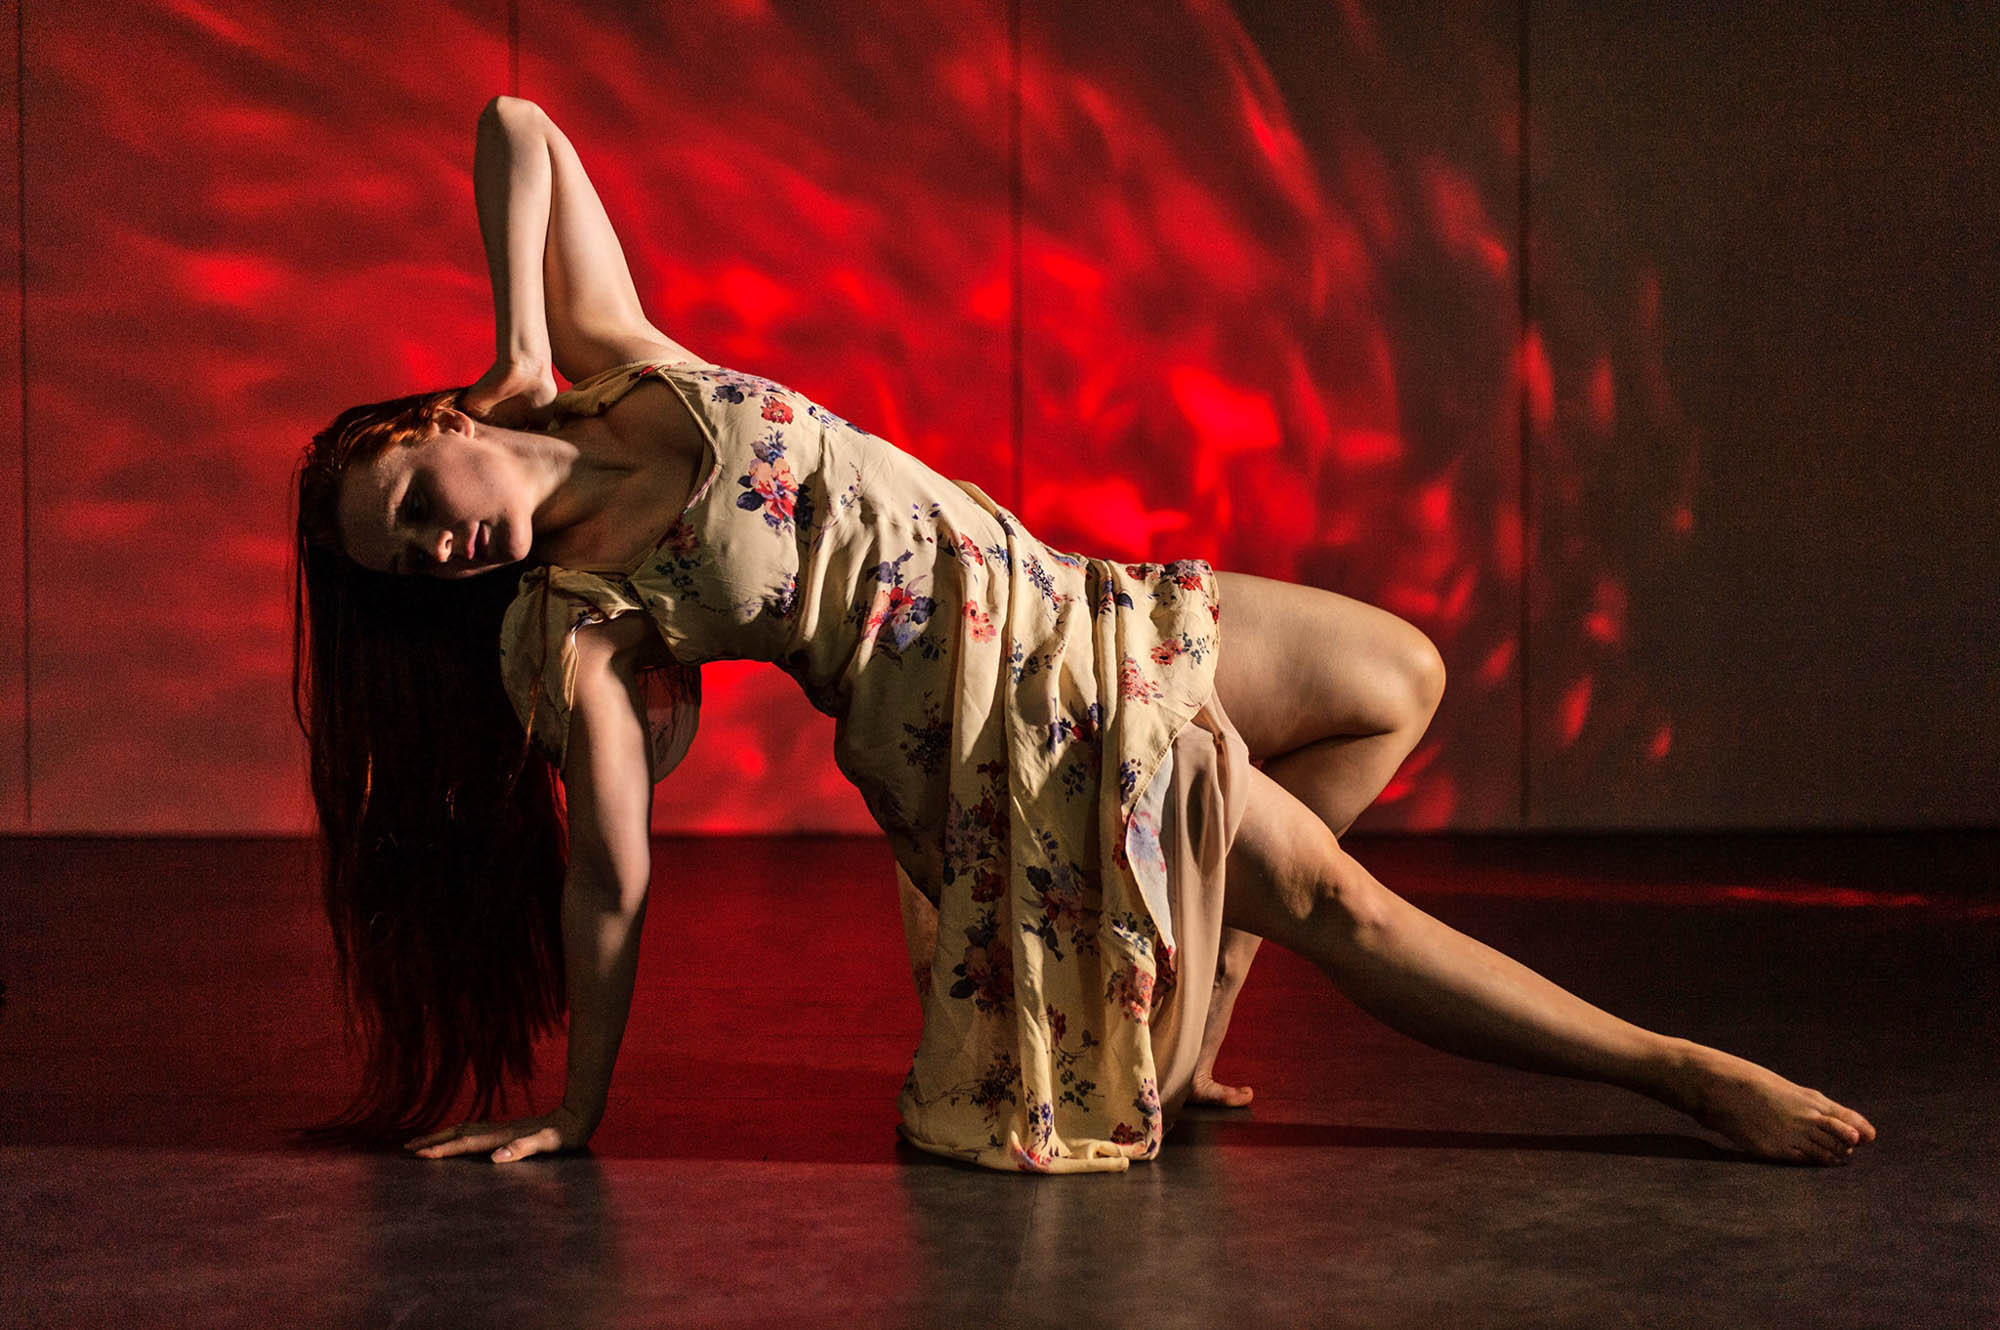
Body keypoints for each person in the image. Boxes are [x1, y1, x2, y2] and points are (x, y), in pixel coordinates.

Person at [291, 96, 1875, 1172]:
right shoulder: (578, 628)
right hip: (1012, 738)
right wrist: (579, 1113)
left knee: (1402, 678)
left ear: (445, 422)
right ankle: (1686, 1073)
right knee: (1347, 904)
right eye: (414, 564)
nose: (442, 549)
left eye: (416, 501)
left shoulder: (607, 355)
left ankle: (1192, 973)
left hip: (1068, 599)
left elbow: (516, 125)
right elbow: (611, 877)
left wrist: (516, 342)